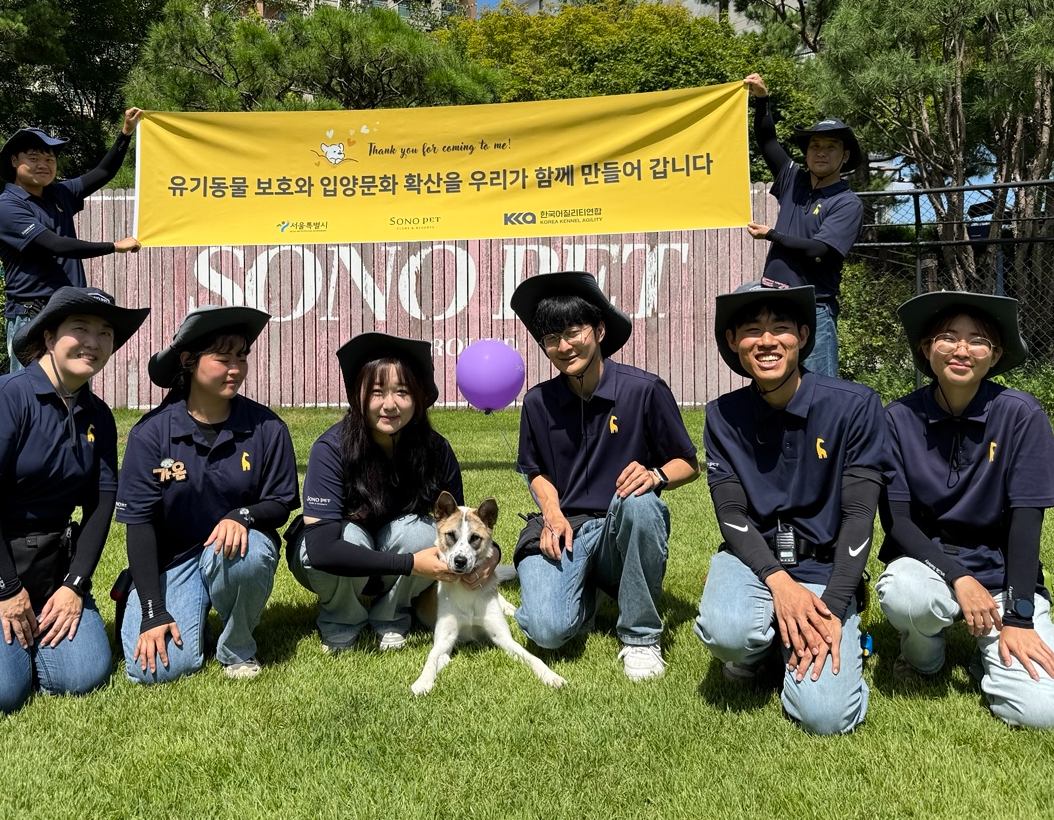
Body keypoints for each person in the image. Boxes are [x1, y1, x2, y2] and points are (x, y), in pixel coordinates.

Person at [0, 286, 150, 716]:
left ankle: (6, 645)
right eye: (80, 328)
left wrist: (74, 585)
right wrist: (7, 591)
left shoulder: (99, 416)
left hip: (49, 566)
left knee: (81, 677)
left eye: (105, 333)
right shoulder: (5, 396)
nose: (94, 342)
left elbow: (102, 503)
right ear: (48, 337)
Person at [693, 282, 894, 735]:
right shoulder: (722, 415)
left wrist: (833, 607)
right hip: (756, 562)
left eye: (780, 327)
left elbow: (859, 517)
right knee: (727, 630)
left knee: (826, 717)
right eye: (752, 330)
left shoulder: (855, 406)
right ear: (733, 341)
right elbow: (730, 514)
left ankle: (827, 636)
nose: (767, 341)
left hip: (826, 568)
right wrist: (779, 583)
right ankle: (757, 648)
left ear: (803, 335)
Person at [876, 291, 1054, 729]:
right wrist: (958, 577)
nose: (962, 350)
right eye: (948, 337)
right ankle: (923, 659)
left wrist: (1019, 616)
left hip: (1001, 578)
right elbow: (897, 524)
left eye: (978, 341)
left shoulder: (1021, 414)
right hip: (928, 567)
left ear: (996, 355)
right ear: (927, 348)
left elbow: (1027, 522)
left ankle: (987, 659)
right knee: (905, 593)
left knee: (1044, 715)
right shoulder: (896, 419)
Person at [508, 271, 698, 682]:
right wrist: (552, 514)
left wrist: (656, 475)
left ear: (599, 330)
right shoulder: (538, 402)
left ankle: (641, 637)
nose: (563, 347)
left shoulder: (644, 390)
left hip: (618, 528)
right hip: (564, 528)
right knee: (547, 632)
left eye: (573, 332)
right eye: (551, 339)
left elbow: (687, 463)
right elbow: (534, 470)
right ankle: (582, 593)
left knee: (641, 503)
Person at [116, 306, 298, 684]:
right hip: (172, 561)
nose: (236, 369)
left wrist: (242, 516)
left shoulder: (268, 427)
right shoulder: (150, 434)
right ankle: (170, 606)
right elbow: (139, 524)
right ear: (188, 361)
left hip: (233, 550)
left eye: (242, 358)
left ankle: (237, 647)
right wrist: (152, 610)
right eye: (223, 359)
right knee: (154, 671)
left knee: (250, 553)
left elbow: (280, 503)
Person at [286, 333, 491, 653]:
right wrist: (410, 564)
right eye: (377, 392)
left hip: (395, 555)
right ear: (358, 396)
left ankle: (392, 614)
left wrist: (493, 556)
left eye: (403, 392)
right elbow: (322, 550)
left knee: (421, 532)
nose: (390, 404)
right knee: (347, 536)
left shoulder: (436, 450)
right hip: (340, 560)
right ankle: (341, 618)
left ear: (419, 398)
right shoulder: (331, 448)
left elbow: (463, 525)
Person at [0, 108, 145, 372]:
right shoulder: (8, 206)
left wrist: (125, 133)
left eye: (49, 159)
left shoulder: (58, 193)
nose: (43, 164)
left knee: (73, 386)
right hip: (32, 314)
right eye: (34, 158)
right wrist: (113, 246)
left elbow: (103, 172)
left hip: (69, 311)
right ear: (15, 161)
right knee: (30, 389)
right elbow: (55, 244)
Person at [743, 73, 864, 378]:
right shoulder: (793, 180)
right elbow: (767, 141)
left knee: (821, 389)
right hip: (774, 303)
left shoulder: (847, 202)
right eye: (815, 145)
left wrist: (772, 235)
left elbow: (819, 250)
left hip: (814, 309)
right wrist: (762, 100)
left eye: (831, 147)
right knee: (775, 384)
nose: (820, 152)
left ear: (845, 156)